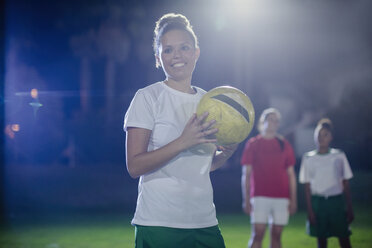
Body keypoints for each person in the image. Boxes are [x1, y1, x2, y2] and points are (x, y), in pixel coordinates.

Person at [123, 13, 238, 248]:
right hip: (159, 224)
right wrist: (182, 141)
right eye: (168, 50)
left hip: (204, 222)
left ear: (196, 52)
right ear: (158, 58)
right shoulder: (147, 97)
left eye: (184, 47)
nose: (177, 55)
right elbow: (135, 166)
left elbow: (203, 165)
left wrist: (225, 153)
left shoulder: (210, 101)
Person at [240, 108, 297, 248]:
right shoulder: (253, 144)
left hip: (281, 197)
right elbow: (246, 175)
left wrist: (293, 199)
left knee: (276, 235)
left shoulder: (284, 144)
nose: (273, 123)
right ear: (263, 122)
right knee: (258, 234)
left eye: (276, 121)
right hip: (259, 196)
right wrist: (246, 199)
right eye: (271, 119)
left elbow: (291, 175)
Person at [299, 118, 353, 248]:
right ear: (314, 136)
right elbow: (307, 187)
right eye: (318, 134)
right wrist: (310, 211)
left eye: (325, 135)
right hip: (318, 202)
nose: (321, 138)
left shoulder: (339, 156)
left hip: (336, 202)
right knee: (321, 240)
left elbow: (345, 182)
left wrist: (350, 208)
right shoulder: (308, 158)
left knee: (344, 238)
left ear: (331, 137)